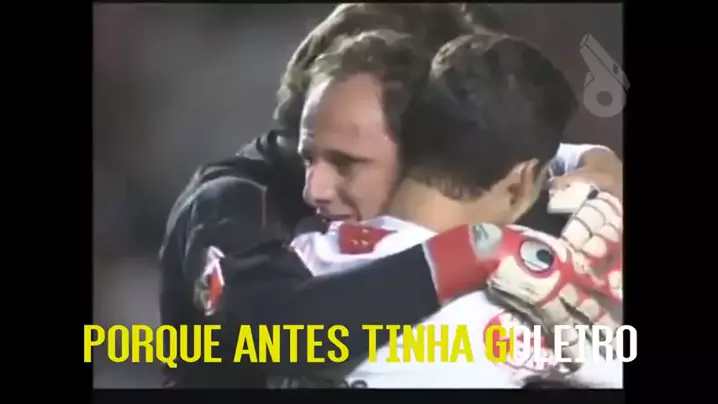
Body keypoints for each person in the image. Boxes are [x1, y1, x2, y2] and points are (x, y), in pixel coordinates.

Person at [159, 4, 623, 388]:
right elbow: (282, 337)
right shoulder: (231, 204)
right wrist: (479, 250)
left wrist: (595, 160)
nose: (315, 189)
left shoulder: (400, 182)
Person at [288, 29, 621, 388]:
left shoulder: (298, 259)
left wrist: (596, 158)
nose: (313, 191)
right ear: (521, 183)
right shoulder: (521, 309)